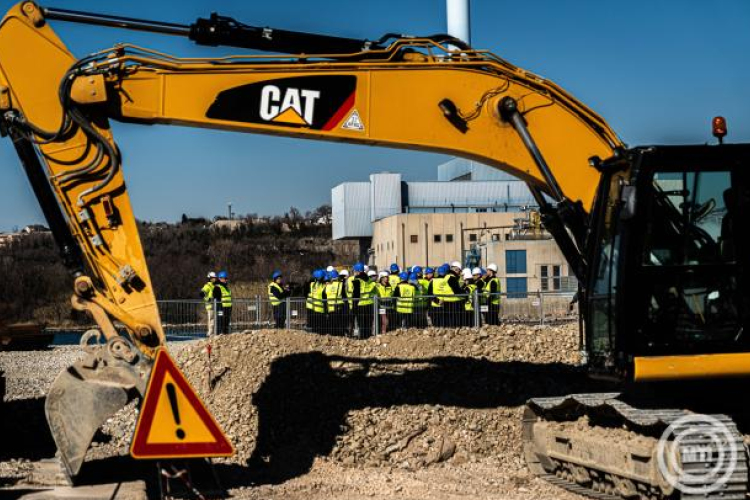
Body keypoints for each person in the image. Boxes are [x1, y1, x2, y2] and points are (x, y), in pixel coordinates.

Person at [350, 263, 375, 338]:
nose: (354, 272)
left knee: (361, 324)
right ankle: (368, 338)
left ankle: (363, 339)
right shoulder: (369, 279)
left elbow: (356, 294)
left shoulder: (357, 280)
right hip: (370, 303)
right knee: (368, 323)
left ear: (357, 271)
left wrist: (354, 306)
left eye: (354, 270)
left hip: (360, 304)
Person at [442, 261, 466, 327]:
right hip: (453, 302)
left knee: (450, 322)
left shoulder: (447, 276)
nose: (459, 272)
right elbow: (456, 290)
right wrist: (465, 293)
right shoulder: (452, 277)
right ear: (456, 269)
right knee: (454, 323)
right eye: (459, 270)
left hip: (447, 301)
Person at [325, 270, 346, 335]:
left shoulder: (327, 285)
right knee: (339, 324)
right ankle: (340, 336)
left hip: (330, 308)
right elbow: (344, 295)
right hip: (338, 307)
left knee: (331, 324)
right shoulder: (340, 284)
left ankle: (332, 337)